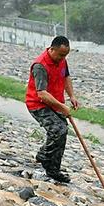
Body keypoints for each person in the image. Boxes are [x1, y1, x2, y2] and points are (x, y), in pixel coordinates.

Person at [25, 36, 79, 183]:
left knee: (62, 132)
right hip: (38, 104)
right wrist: (62, 107)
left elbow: (66, 77)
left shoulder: (62, 61)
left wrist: (72, 96)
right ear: (52, 49)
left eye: (65, 55)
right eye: (61, 55)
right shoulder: (40, 66)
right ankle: (44, 156)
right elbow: (42, 94)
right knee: (58, 130)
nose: (63, 58)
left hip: (55, 103)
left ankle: (53, 169)